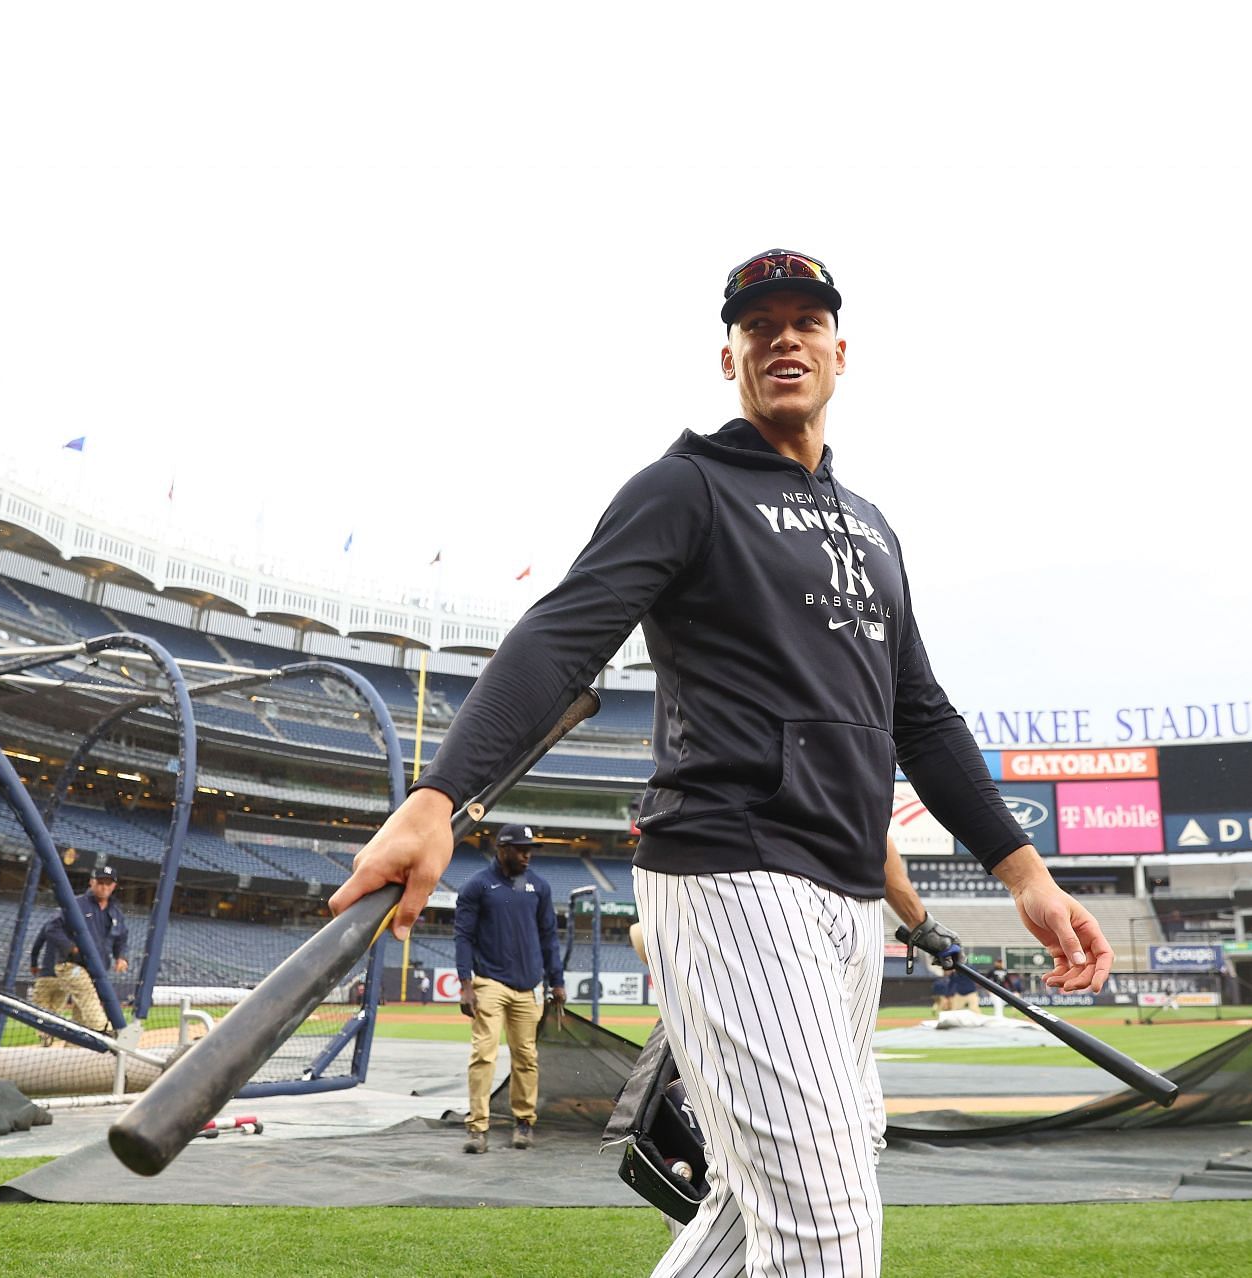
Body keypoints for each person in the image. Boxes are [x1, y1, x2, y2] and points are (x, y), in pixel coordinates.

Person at [330, 248, 1113, 1276]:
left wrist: (1026, 871)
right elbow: (563, 638)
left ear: (842, 350)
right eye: (760, 325)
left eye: (805, 320)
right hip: (731, 871)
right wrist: (441, 798)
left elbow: (917, 713)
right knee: (827, 1223)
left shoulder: (872, 527)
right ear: (730, 356)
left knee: (769, 1197)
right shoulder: (686, 488)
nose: (783, 336)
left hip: (843, 894)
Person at [453, 824, 563, 1154]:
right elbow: (463, 937)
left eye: (530, 848)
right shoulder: (477, 886)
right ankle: (478, 1128)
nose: (527, 854)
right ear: (501, 849)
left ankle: (524, 1123)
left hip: (530, 985)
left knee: (526, 1057)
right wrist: (465, 985)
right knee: (484, 1054)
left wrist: (556, 981)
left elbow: (549, 938)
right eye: (520, 848)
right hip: (490, 983)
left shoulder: (539, 887)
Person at [28, 866, 129, 1035]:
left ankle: (73, 1051)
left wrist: (121, 957)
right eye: (100, 882)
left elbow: (121, 939)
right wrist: (70, 947)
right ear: (92, 882)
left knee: (81, 1017)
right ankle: (106, 1030)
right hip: (71, 965)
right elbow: (51, 929)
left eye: (108, 884)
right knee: (88, 996)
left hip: (97, 970)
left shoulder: (116, 913)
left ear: (114, 886)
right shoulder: (76, 904)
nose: (104, 887)